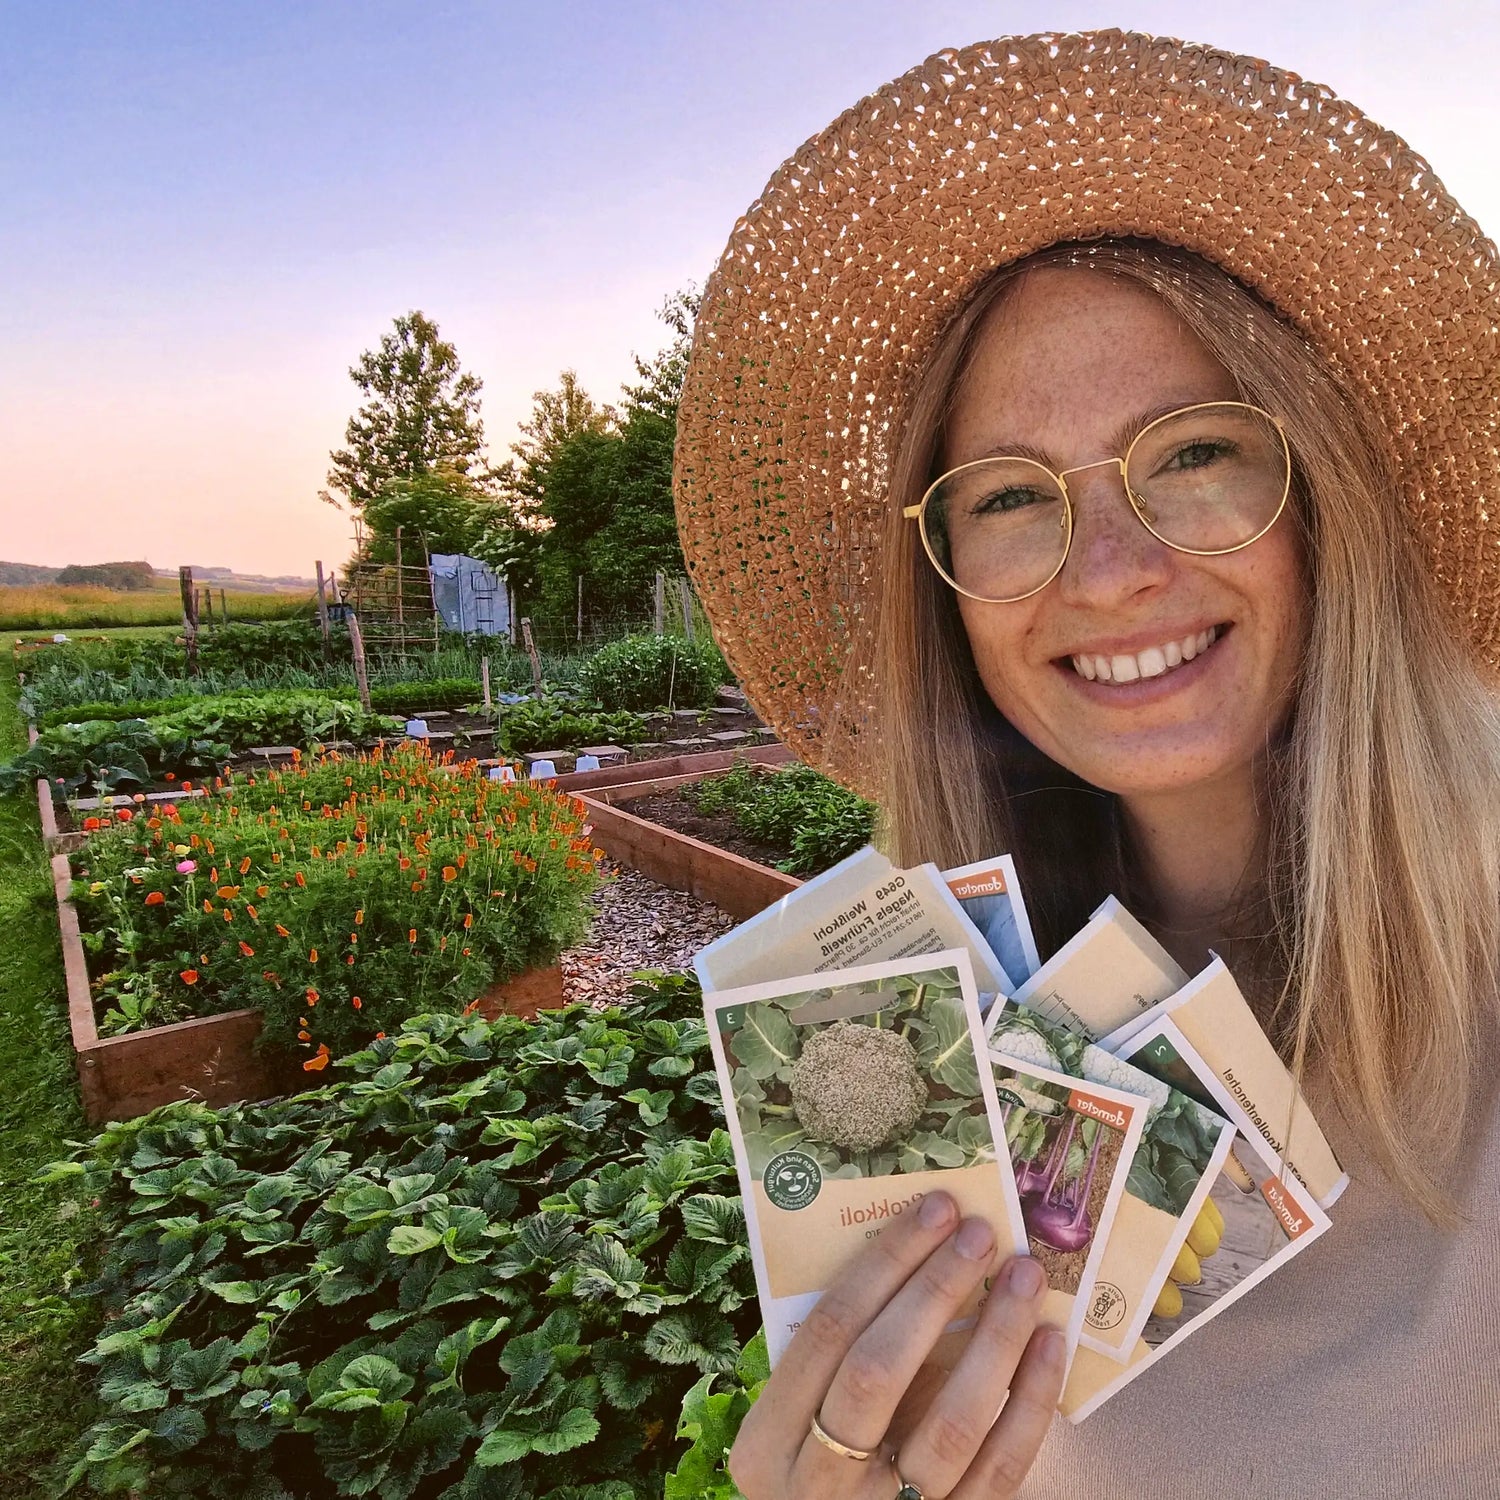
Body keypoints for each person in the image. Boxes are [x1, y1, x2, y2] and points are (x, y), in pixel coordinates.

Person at [673, 31, 1500, 1500]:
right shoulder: (926, 1042)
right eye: (1008, 495)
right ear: (945, 593)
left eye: (1192, 452)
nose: (1112, 573)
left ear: (1327, 500)